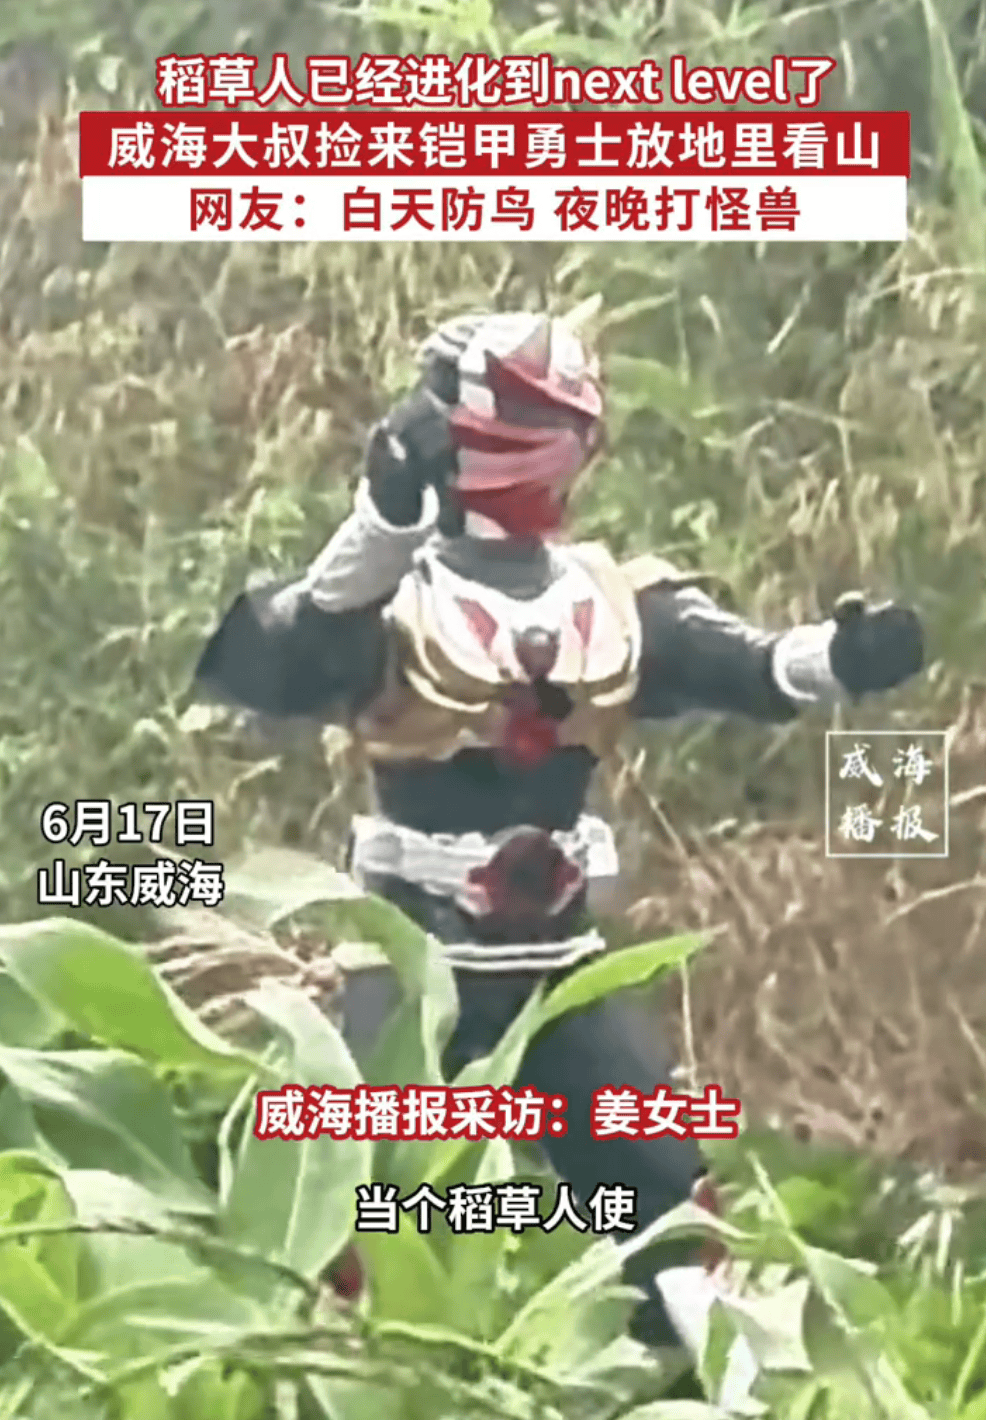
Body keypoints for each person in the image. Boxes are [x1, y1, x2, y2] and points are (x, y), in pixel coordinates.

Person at [193, 309, 924, 1347]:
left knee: (665, 1193)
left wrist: (843, 658)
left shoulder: (611, 599)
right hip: (413, 950)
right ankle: (333, 1375)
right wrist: (381, 522)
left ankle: (715, 1385)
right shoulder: (391, 593)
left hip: (561, 960)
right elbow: (287, 663)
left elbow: (751, 663)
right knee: (355, 1197)